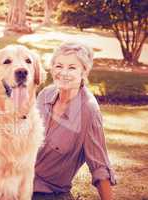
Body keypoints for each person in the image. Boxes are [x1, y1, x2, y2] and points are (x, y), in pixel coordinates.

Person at [34, 42, 116, 200]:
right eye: (58, 66)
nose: (63, 73)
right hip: (17, 182)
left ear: (84, 71)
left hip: (48, 193)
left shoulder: (88, 110)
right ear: (52, 68)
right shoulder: (44, 94)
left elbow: (99, 166)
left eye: (72, 67)